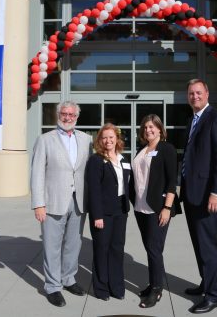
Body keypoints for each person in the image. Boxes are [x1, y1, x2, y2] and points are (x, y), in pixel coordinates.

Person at [30, 101, 92, 307]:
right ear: (58, 115)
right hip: (53, 202)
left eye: (71, 114)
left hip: (79, 201)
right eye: (64, 114)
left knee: (74, 244)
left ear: (77, 117)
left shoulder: (86, 139)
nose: (67, 117)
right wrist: (39, 203)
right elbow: (37, 173)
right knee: (52, 246)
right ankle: (53, 286)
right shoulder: (45, 139)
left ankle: (69, 279)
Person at [181, 79, 217, 314]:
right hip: (192, 195)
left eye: (198, 93)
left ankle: (214, 295)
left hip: (209, 196)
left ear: (207, 93)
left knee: (208, 245)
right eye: (191, 93)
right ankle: (205, 282)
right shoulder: (192, 119)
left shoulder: (216, 118)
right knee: (198, 244)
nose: (194, 96)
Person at [130, 114, 179, 308]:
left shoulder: (166, 149)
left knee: (154, 249)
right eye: (145, 127)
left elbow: (171, 182)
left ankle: (157, 290)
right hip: (140, 207)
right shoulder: (143, 150)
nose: (148, 130)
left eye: (152, 127)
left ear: (160, 129)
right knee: (151, 249)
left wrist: (167, 207)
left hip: (157, 208)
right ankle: (153, 284)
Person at [85, 123, 131, 301]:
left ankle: (117, 287)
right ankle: (101, 288)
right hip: (102, 214)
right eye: (104, 137)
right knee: (101, 249)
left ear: (117, 139)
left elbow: (129, 185)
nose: (108, 140)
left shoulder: (123, 159)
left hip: (121, 211)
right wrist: (97, 215)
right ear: (100, 140)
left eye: (111, 137)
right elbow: (94, 190)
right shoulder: (96, 161)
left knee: (117, 249)